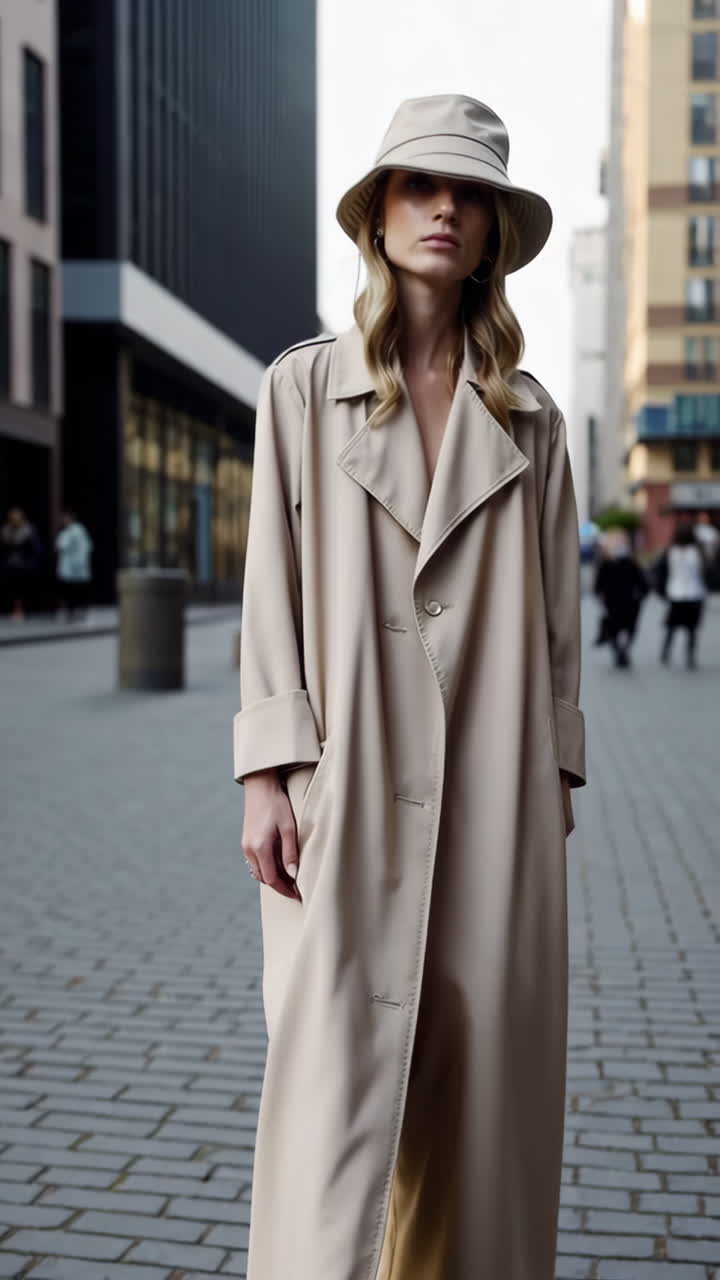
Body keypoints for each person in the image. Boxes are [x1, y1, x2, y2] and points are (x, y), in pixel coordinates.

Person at [233, 95, 586, 1280]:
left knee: (482, 1104)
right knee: (335, 1095)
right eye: (419, 185)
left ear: (493, 231)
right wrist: (267, 773)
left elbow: (554, 627)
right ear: (377, 216)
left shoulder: (533, 423)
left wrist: (558, 774)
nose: (445, 207)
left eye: (470, 192)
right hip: (347, 784)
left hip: (500, 799)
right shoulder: (301, 389)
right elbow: (268, 593)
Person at [593, 528, 648, 668]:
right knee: (613, 629)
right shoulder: (605, 564)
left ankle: (624, 650)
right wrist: (599, 598)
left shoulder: (630, 563)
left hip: (630, 602)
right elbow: (598, 585)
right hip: (612, 601)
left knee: (630, 628)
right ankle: (618, 652)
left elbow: (642, 582)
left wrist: (641, 595)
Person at [656, 522, 707, 669]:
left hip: (677, 593)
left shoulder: (671, 551)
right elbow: (706, 571)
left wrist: (662, 591)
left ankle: (666, 652)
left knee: (672, 627)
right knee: (690, 628)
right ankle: (689, 655)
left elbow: (661, 572)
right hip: (692, 593)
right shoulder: (697, 552)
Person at [0, 507, 43, 620]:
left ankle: (23, 610)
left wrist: (30, 562)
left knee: (22, 588)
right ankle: (13, 610)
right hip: (10, 565)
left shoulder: (28, 530)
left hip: (24, 565)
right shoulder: (5, 530)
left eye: (17, 517)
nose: (15, 519)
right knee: (11, 588)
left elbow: (35, 549)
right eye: (12, 517)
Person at [55, 510, 93, 620]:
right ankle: (72, 610)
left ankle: (76, 610)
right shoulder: (67, 531)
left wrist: (79, 563)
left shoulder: (77, 530)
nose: (63, 520)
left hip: (75, 567)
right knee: (70, 590)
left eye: (65, 518)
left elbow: (63, 545)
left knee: (75, 590)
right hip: (70, 568)